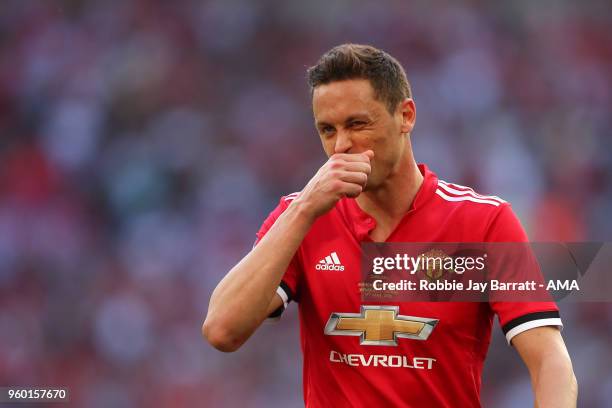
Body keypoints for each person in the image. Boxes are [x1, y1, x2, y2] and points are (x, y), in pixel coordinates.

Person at [202, 44, 577, 407]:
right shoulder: (302, 217)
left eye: (357, 124)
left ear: (406, 116)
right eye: (327, 130)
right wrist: (302, 211)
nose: (341, 146)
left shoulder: (482, 223)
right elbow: (222, 330)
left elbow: (550, 361)